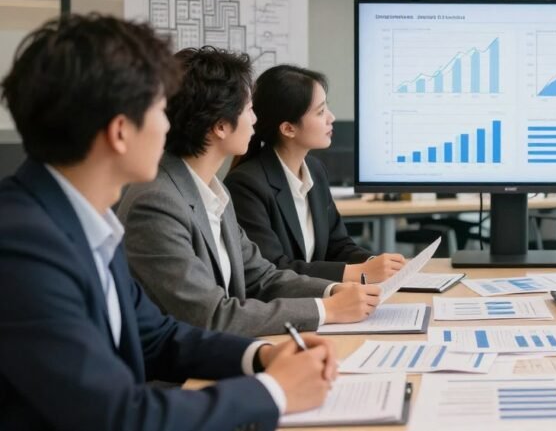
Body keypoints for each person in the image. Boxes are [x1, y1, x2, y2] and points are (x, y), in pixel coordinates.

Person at [0, 14, 337, 430]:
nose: (169, 125)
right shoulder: (23, 247)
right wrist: (275, 391)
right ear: (120, 132)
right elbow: (116, 416)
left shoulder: (83, 221)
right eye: (161, 109)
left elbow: (157, 336)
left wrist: (262, 356)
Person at [118, 47, 379, 337]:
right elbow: (211, 316)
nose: (255, 120)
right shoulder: (157, 203)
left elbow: (261, 277)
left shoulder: (212, 192)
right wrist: (326, 310)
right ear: (220, 126)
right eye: (248, 109)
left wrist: (333, 291)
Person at [225, 64, 405, 282]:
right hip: (286, 301)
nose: (331, 117)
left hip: (322, 296)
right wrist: (357, 272)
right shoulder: (246, 185)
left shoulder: (315, 170)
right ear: (288, 128)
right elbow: (273, 269)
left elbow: (338, 246)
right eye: (320, 112)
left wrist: (376, 264)